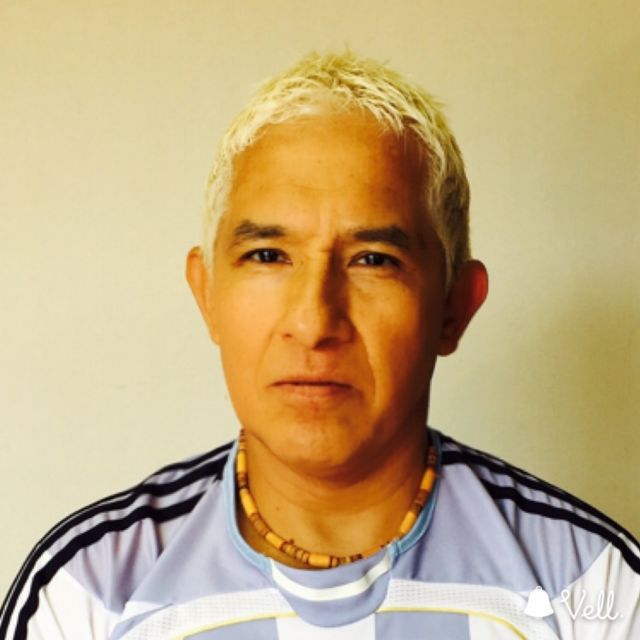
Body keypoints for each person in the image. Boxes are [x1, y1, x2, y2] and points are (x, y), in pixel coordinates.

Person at [1, 51, 638, 640]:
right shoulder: (86, 590)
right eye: (268, 255)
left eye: (373, 259)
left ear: (455, 307)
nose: (313, 322)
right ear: (207, 294)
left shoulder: (590, 584)